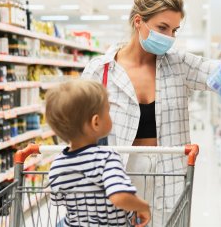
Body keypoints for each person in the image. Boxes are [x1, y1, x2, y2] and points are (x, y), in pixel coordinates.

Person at [81, 0, 221, 225]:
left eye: (174, 30)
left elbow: (219, 74)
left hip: (169, 171)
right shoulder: (101, 70)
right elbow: (79, 128)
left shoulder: (178, 63)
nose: (169, 37)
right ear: (138, 21)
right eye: (162, 28)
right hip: (118, 173)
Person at [45, 80, 151, 227]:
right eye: (107, 110)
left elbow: (57, 198)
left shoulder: (57, 165)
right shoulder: (107, 158)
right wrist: (142, 206)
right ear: (96, 122)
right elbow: (119, 196)